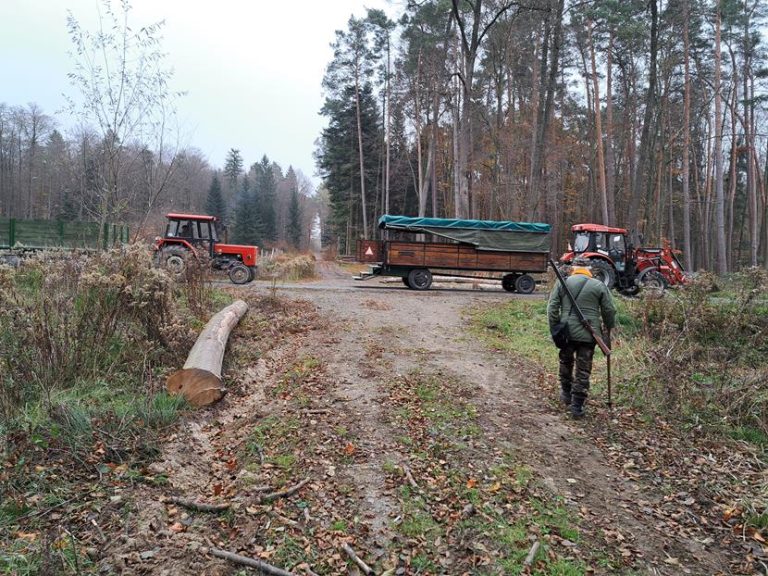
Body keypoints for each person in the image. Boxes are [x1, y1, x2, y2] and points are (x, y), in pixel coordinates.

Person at [547, 258, 616, 419]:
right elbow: (609, 310)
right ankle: (577, 406)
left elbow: (552, 308)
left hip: (566, 332)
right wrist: (608, 327)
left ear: (574, 268)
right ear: (589, 269)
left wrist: (555, 327)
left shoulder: (563, 283)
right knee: (583, 369)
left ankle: (566, 393)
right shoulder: (598, 285)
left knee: (565, 362)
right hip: (589, 334)